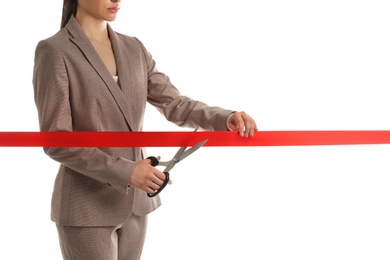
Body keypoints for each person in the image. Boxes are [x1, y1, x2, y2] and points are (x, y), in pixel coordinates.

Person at [32, 0, 258, 259]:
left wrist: (224, 118)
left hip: (136, 205)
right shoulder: (54, 50)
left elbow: (174, 103)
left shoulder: (133, 48)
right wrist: (127, 171)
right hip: (86, 206)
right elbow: (56, 140)